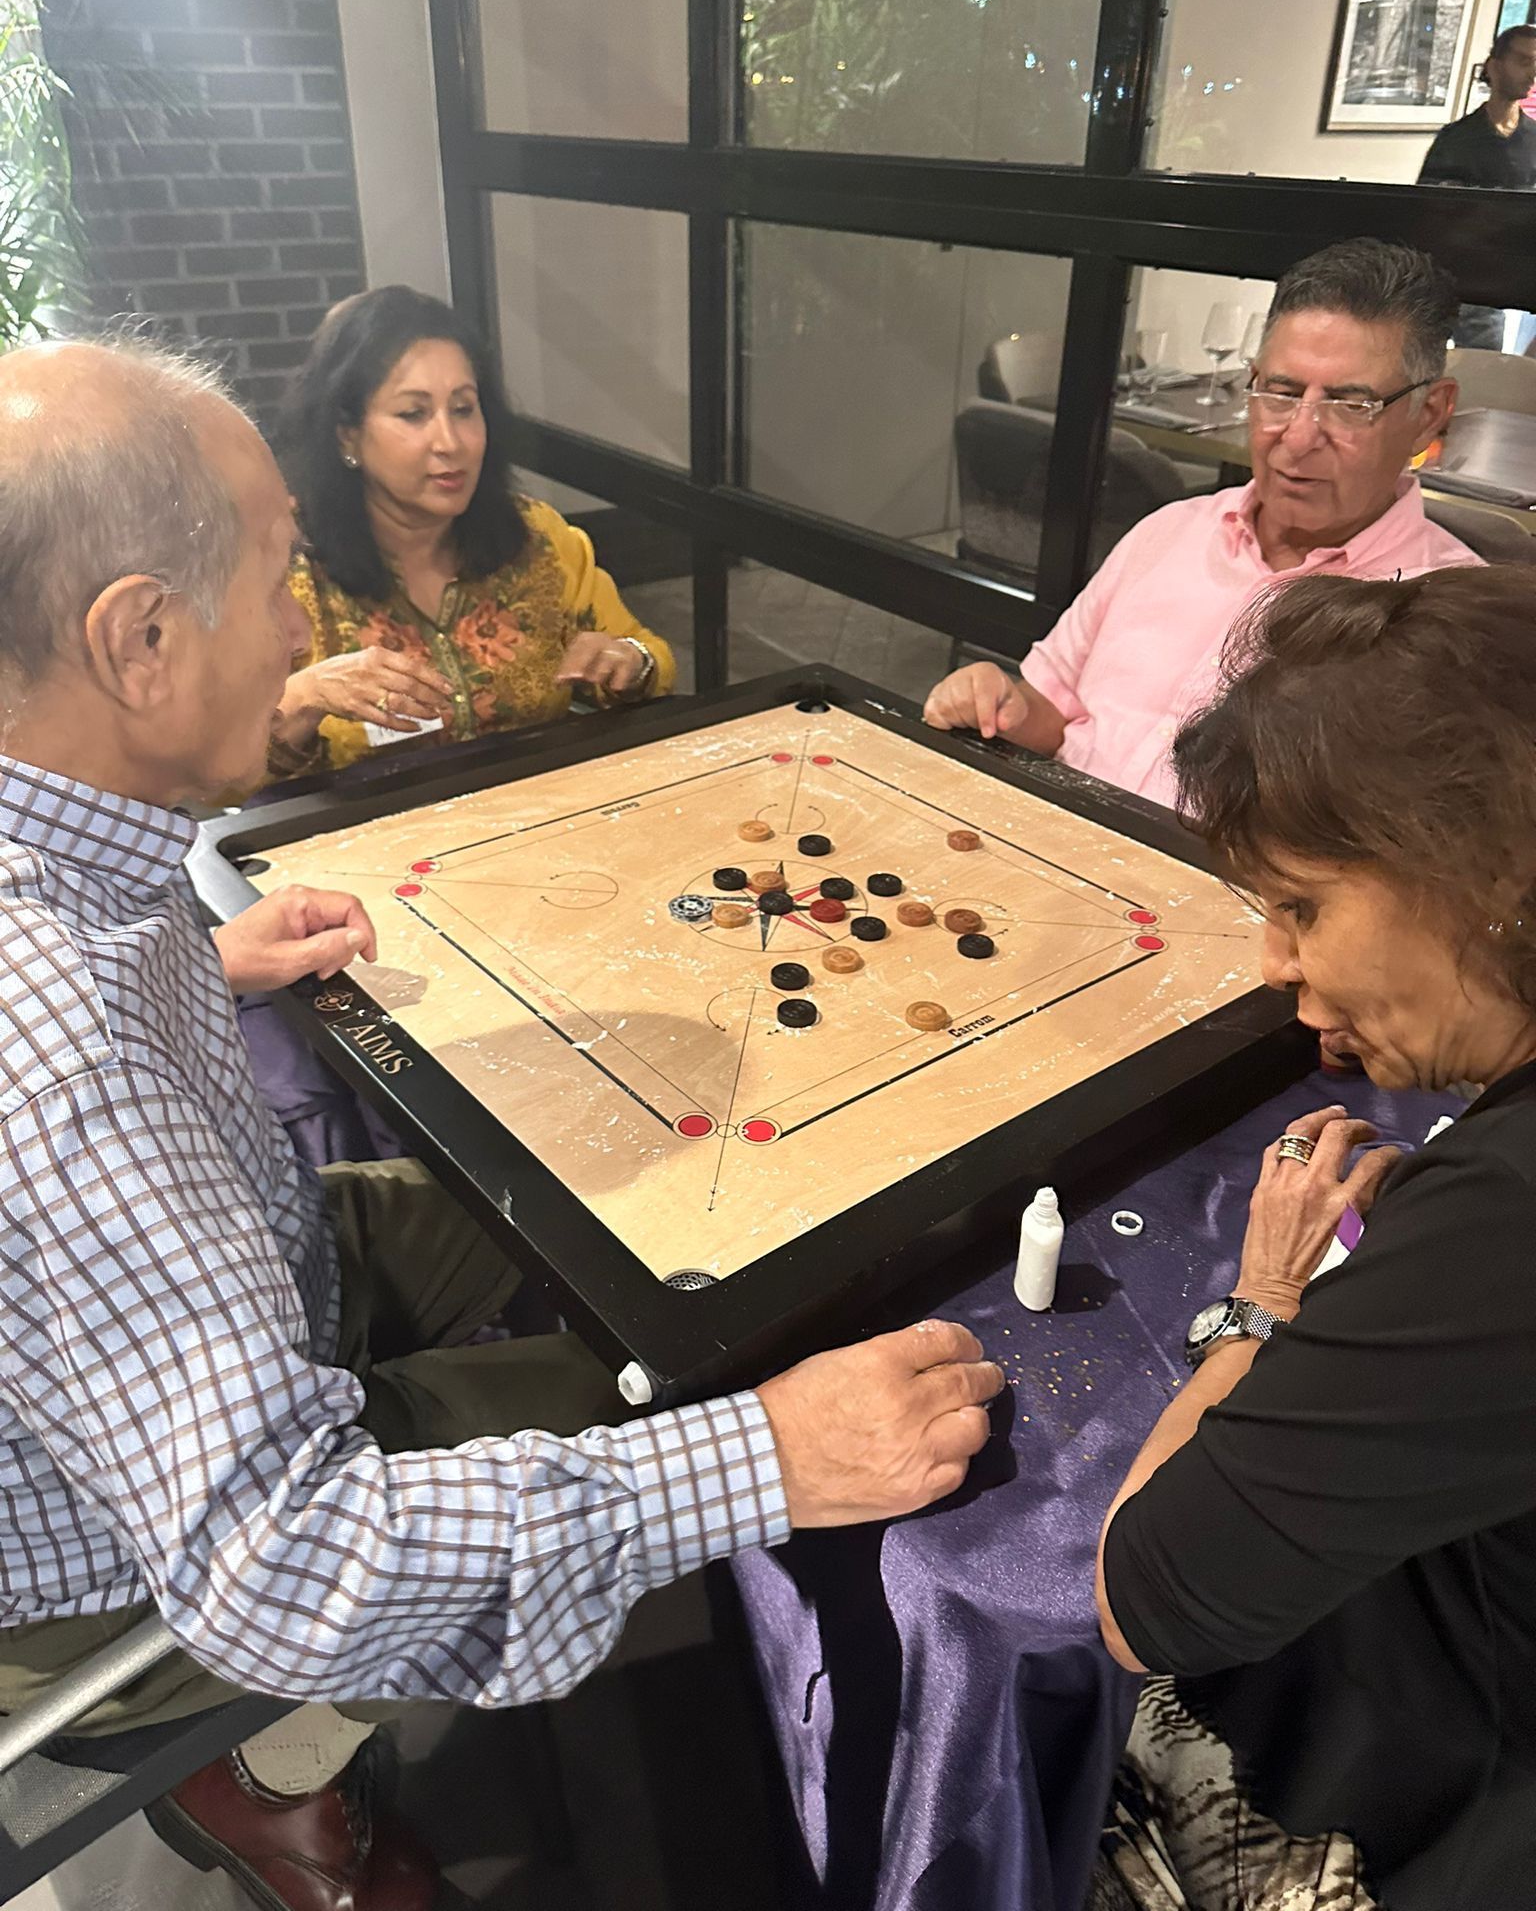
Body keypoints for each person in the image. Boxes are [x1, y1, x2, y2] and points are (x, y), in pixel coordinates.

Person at [0, 339, 1003, 1911]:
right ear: (136, 639)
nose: (292, 637)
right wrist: (763, 1455)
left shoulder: (65, 873)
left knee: (591, 1175)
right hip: (119, 1566)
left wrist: (198, 958)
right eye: (275, 586)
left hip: (254, 1254)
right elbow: (284, 1565)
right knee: (706, 1382)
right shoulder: (59, 1056)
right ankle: (281, 1770)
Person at [1090, 566, 1536, 1911]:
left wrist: (1265, 1297)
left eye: (1302, 907)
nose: (1277, 965)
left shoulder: (1509, 1220)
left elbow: (1139, 1592)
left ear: (1481, 877)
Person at [922, 240, 1480, 812]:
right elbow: (1052, 715)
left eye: (1349, 405)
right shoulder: (1171, 531)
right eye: (1282, 393)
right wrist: (1002, 704)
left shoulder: (1451, 621)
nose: (1298, 437)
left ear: (1429, 415)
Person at [266, 285, 676, 781]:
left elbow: (647, 657)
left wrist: (630, 664)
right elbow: (228, 773)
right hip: (365, 842)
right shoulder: (285, 570)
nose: (451, 442)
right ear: (347, 434)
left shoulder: (537, 538)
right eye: (413, 414)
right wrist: (307, 695)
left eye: (463, 409)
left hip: (543, 819)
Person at [1417, 23, 1536, 348]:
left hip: (1516, 272)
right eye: (1523, 62)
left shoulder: (1533, 139)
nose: (1532, 73)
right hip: (1463, 278)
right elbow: (1429, 210)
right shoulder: (1457, 140)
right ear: (1494, 67)